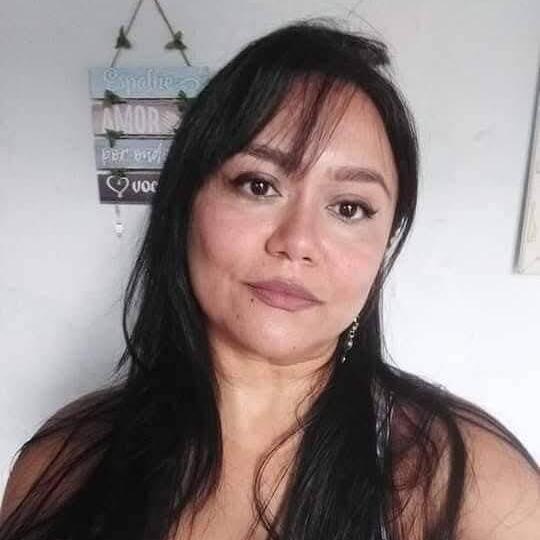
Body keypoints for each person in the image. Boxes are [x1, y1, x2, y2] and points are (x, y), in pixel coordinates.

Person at [0, 20, 538, 540]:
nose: (297, 242)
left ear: (384, 245)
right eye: (259, 185)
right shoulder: (67, 458)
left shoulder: (470, 486)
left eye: (349, 208)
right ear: (186, 203)